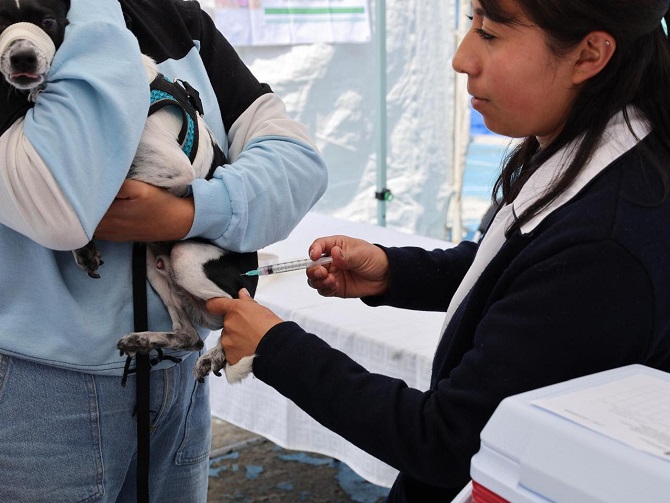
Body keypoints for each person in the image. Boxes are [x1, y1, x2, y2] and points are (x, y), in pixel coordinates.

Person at [206, 0, 670, 500]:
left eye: (490, 33)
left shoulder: (608, 242)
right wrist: (393, 271)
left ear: (589, 55)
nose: (462, 58)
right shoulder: (597, 152)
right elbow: (521, 271)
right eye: (471, 21)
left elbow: (447, 440)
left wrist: (276, 348)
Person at [0, 0, 327, 502]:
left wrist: (188, 213)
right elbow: (62, 199)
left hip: (178, 384)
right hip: (39, 388)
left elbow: (299, 164)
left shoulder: (174, 14)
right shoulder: (15, 29)